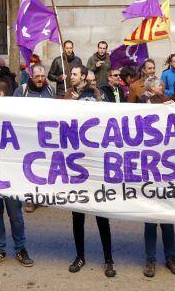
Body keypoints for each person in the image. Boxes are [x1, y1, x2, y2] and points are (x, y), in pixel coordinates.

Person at [64, 67, 115, 277]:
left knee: (102, 216)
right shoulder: (67, 96)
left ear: (83, 77)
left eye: (74, 74)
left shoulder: (97, 94)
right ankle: (80, 256)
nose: (71, 77)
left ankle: (108, 260)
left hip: (97, 164)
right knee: (78, 216)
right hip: (77, 165)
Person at [0, 79, 34, 268]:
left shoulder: (14, 112)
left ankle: (20, 248)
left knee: (15, 214)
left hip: (11, 174)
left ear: (0, 95)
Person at [142, 82, 175, 279]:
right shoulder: (142, 127)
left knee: (167, 222)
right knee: (150, 223)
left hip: (166, 180)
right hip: (149, 180)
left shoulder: (170, 128)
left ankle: (171, 258)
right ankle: (150, 260)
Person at [13, 64, 54, 213]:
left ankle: (41, 196)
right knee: (29, 169)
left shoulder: (50, 90)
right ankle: (30, 200)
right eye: (37, 76)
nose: (41, 79)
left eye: (43, 76)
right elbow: (12, 112)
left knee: (42, 168)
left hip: (45, 137)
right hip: (27, 138)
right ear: (31, 76)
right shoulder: (21, 91)